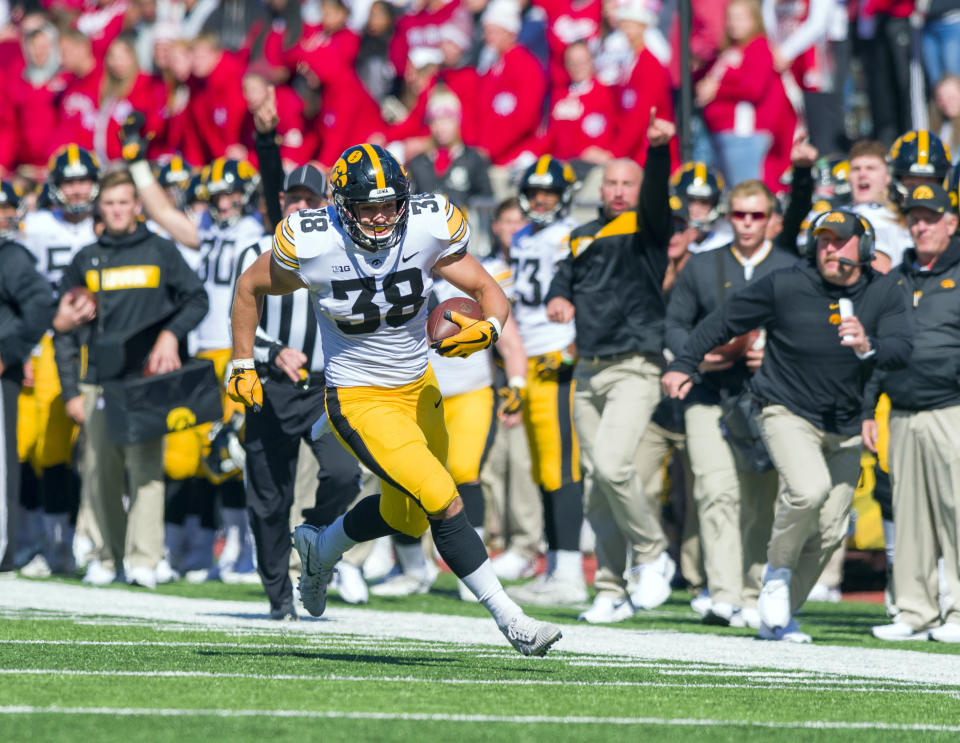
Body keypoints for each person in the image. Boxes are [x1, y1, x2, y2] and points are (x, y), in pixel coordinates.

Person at [229, 142, 562, 656]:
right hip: (358, 396)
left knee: (405, 515)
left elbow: (487, 288)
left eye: (390, 204)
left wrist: (490, 328)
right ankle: (511, 619)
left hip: (419, 387)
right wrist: (242, 361)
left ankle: (322, 546)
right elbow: (249, 287)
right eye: (369, 206)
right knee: (441, 496)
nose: (382, 217)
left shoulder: (428, 226)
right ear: (342, 205)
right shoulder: (315, 243)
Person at [663, 208, 912, 642]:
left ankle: (777, 615)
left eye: (839, 241)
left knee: (834, 528)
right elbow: (723, 321)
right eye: (823, 241)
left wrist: (868, 345)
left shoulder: (886, 290)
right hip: (786, 409)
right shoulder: (786, 284)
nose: (829, 249)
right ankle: (776, 571)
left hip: (847, 423)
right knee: (808, 488)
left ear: (866, 248)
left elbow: (902, 348)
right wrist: (685, 362)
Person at [545, 112, 678, 622]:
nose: (619, 191)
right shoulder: (580, 234)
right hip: (587, 372)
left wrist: (659, 152)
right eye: (612, 183)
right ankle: (608, 586)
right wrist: (560, 300)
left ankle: (651, 554)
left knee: (613, 465)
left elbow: (656, 197)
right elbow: (563, 279)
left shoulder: (647, 226)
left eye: (629, 183)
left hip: (634, 368)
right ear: (600, 189)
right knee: (598, 483)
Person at [122, 115, 266, 582]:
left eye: (229, 193)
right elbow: (164, 215)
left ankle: (248, 550)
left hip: (237, 351)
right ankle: (203, 547)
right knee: (196, 454)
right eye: (216, 195)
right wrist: (140, 165)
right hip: (202, 353)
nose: (222, 202)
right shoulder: (210, 231)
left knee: (236, 452)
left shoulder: (258, 233)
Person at [53, 169, 209, 588]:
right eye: (110, 203)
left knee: (146, 472)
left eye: (125, 202)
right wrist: (70, 388)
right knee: (100, 472)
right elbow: (62, 329)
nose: (118, 210)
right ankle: (108, 555)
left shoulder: (161, 250)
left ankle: (144, 557)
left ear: (137, 206)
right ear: (99, 208)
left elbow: (197, 298)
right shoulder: (86, 257)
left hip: (146, 383)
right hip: (100, 381)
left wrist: (169, 338)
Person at [234, 162, 362, 620]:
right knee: (269, 500)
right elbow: (241, 316)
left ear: (328, 202)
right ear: (281, 201)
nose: (302, 206)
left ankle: (314, 535)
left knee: (345, 474)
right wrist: (273, 352)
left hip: (324, 389)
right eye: (294, 198)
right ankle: (278, 597)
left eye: (312, 198)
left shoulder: (347, 245)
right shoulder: (254, 247)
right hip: (270, 387)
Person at [665, 178, 796, 627]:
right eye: (739, 214)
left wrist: (771, 352)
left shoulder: (790, 266)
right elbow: (675, 325)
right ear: (727, 215)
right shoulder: (701, 266)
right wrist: (702, 355)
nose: (746, 224)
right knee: (715, 489)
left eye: (756, 215)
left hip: (769, 396)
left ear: (772, 221)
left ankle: (752, 589)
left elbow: (809, 330)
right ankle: (722, 594)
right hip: (708, 391)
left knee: (760, 498)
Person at [869, 183, 960, 644]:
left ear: (952, 221)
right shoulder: (897, 278)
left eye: (930, 216)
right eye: (914, 217)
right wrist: (869, 410)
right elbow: (873, 349)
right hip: (901, 410)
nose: (920, 225)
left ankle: (959, 610)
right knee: (908, 513)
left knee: (957, 510)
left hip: (952, 409)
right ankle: (915, 609)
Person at [495, 154, 586, 608]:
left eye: (549, 192)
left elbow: (586, 290)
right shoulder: (527, 235)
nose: (541, 200)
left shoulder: (571, 236)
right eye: (534, 192)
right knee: (540, 467)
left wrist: (575, 343)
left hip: (557, 355)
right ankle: (555, 567)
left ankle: (570, 571)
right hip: (528, 357)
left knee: (561, 465)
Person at [18, 145, 99, 577]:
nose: (77, 188)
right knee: (46, 445)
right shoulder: (35, 226)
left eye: (83, 179)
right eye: (69, 181)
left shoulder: (109, 221)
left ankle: (92, 540)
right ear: (55, 185)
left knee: (102, 448)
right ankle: (50, 543)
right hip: (51, 342)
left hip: (100, 343)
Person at [0, 182, 56, 573]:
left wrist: (9, 352)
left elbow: (41, 305)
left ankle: (5, 549)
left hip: (4, 374)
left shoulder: (10, 256)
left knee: (4, 466)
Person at [847, 139, 912, 273]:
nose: (862, 174)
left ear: (887, 177)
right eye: (856, 169)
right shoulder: (835, 215)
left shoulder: (905, 221)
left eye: (871, 168)